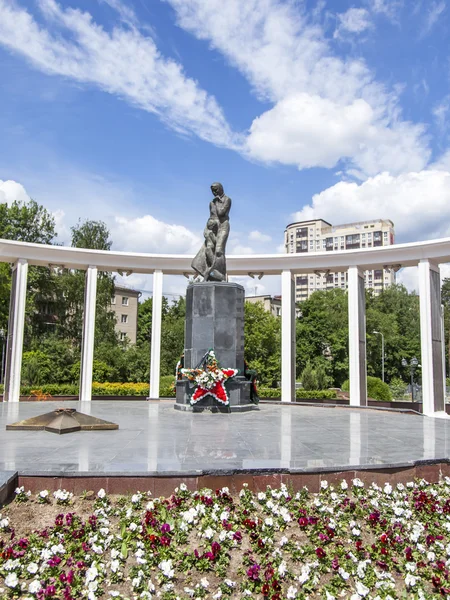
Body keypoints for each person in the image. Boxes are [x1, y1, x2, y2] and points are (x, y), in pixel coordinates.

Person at [191, 182, 231, 281]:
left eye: (216, 189)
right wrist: (206, 229)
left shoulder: (227, 200)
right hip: (212, 228)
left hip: (223, 227)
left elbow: (221, 213)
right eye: (212, 190)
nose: (214, 192)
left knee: (219, 251)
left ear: (221, 189)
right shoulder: (211, 203)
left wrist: (217, 201)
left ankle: (220, 273)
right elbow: (211, 216)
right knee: (208, 249)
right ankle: (213, 272)